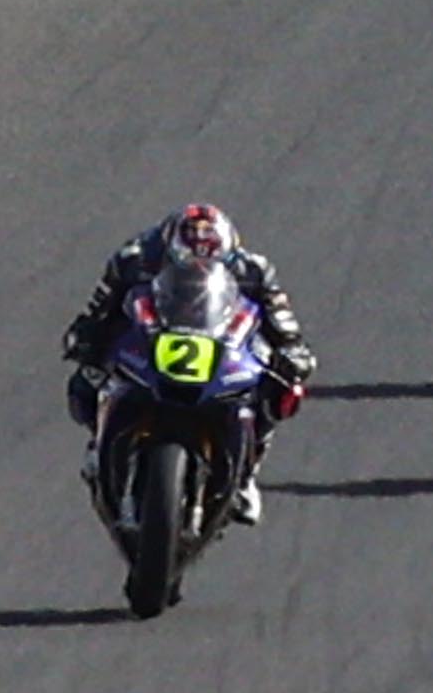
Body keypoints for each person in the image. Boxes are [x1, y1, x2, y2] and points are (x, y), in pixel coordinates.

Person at [60, 201, 315, 484]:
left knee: (280, 386)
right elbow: (102, 304)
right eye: (190, 259)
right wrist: (86, 334)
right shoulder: (135, 259)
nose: (200, 266)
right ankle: (98, 443)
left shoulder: (254, 269)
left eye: (209, 260)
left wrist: (292, 348)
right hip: (152, 332)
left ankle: (250, 464)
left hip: (221, 338)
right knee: (86, 379)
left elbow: (279, 314)